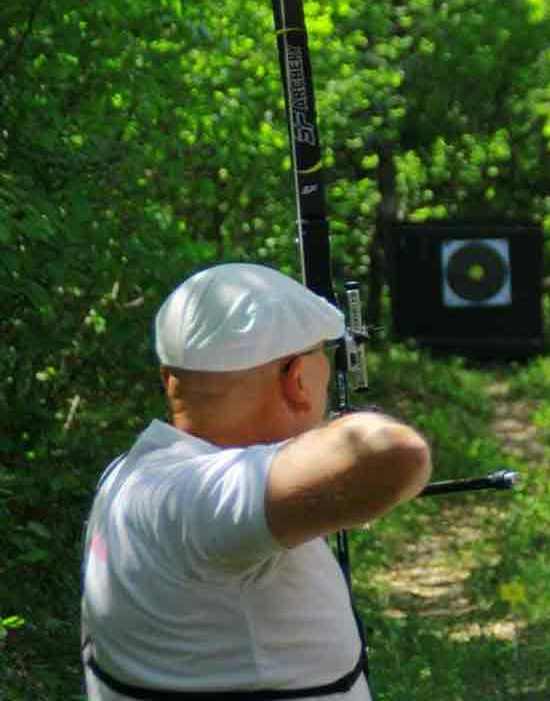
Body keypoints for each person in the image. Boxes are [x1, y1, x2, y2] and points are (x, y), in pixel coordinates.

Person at [81, 263, 432, 700]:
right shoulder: (202, 497)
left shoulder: (132, 475)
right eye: (322, 354)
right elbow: (394, 453)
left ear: (168, 378)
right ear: (298, 380)